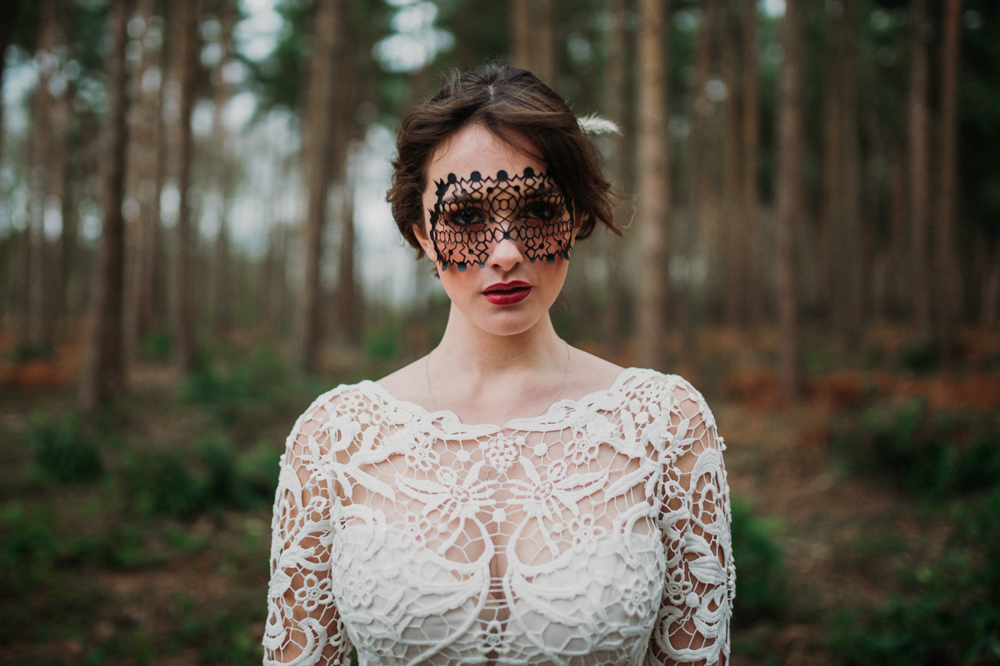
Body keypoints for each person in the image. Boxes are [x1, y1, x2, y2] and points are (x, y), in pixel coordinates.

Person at [263, 65, 734, 666]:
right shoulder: (335, 438)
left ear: (578, 218)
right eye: (465, 218)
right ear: (421, 233)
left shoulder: (667, 425)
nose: (506, 252)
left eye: (538, 211)